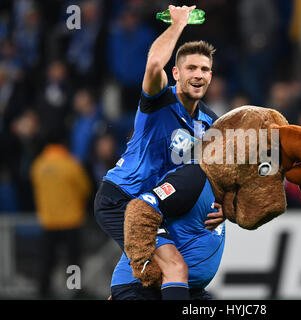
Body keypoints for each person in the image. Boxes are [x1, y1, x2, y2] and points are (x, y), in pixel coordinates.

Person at [94, 5, 224, 300]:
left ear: (211, 76)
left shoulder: (211, 123)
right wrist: (178, 25)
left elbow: (219, 175)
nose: (198, 75)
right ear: (176, 73)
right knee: (174, 267)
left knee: (147, 275)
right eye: (191, 68)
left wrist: (227, 207)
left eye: (204, 69)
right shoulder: (160, 100)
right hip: (122, 198)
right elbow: (154, 64)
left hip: (156, 205)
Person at [30, 130, 91, 298]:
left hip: (48, 221)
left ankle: (43, 289)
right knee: (73, 260)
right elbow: (85, 189)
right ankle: (74, 289)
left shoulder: (38, 165)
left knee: (47, 258)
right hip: (71, 220)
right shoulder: (71, 164)